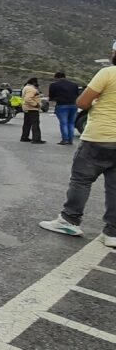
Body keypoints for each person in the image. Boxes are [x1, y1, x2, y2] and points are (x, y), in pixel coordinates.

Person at [39, 42, 116, 248]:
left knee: (81, 180)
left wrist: (97, 101)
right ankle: (112, 232)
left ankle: (70, 220)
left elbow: (82, 102)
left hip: (100, 136)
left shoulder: (108, 73)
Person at [50, 72, 80, 145]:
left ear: (56, 77)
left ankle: (65, 139)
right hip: (73, 105)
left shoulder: (54, 85)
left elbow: (51, 96)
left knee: (64, 123)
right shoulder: (74, 84)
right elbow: (77, 95)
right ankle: (70, 140)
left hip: (61, 105)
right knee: (71, 123)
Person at [20, 78, 45, 144]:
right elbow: (28, 98)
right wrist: (36, 104)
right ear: (34, 82)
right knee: (35, 124)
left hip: (26, 108)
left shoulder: (25, 88)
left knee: (27, 124)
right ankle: (36, 139)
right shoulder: (31, 89)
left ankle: (24, 137)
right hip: (32, 109)